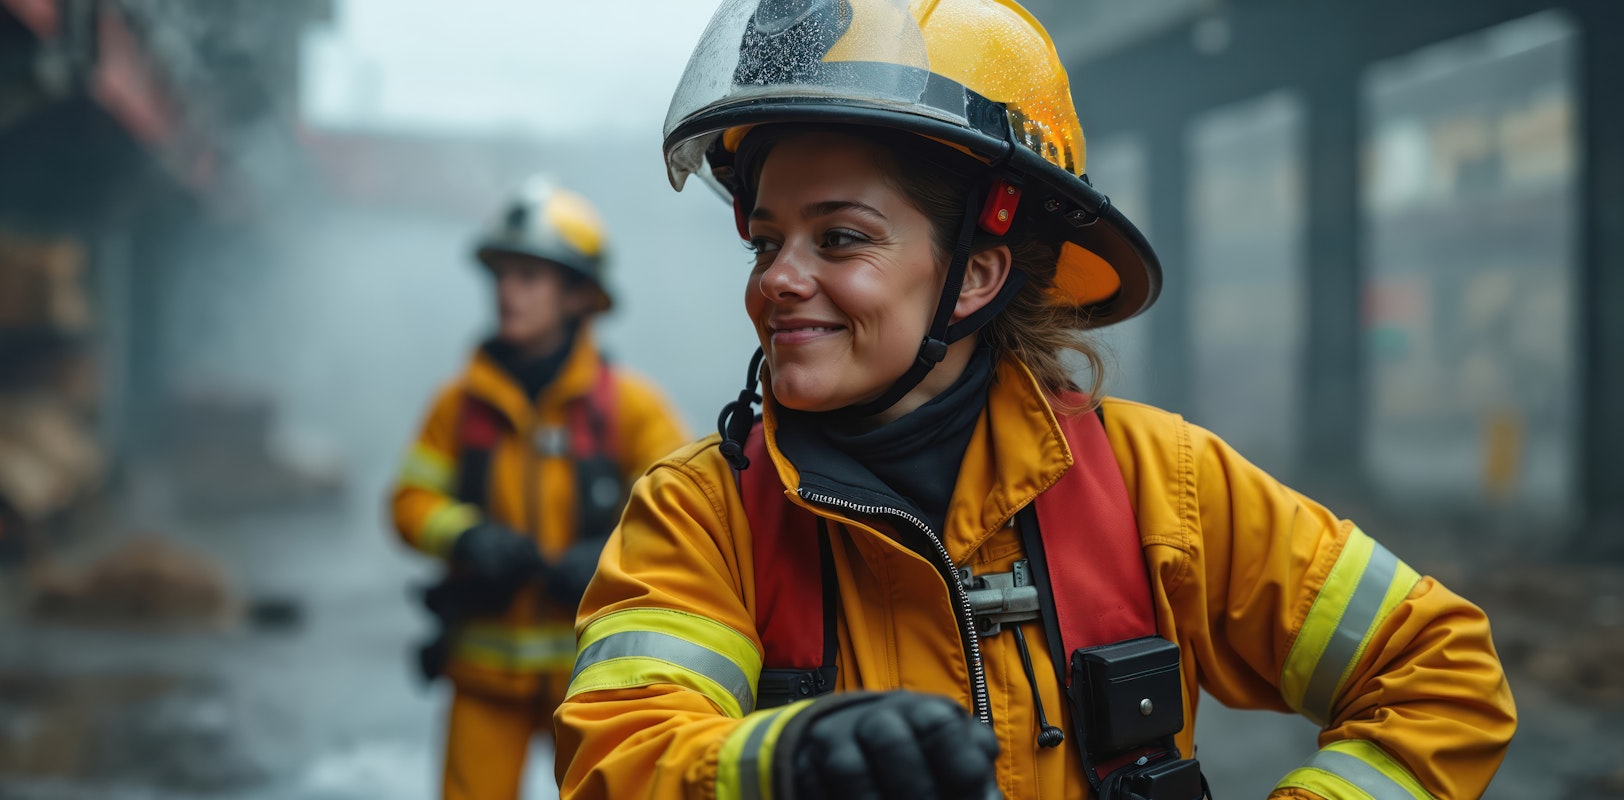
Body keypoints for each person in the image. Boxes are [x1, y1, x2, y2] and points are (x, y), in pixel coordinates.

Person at [553, 2, 1516, 799]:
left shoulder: (1162, 486)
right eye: (766, 242)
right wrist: (780, 761)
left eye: (839, 238)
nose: (777, 280)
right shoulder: (702, 515)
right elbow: (616, 759)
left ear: (976, 274)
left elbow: (1440, 671)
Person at [390, 175, 689, 800]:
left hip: (594, 682)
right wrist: (466, 537)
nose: (507, 292)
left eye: (528, 276)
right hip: (482, 676)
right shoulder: (458, 405)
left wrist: (608, 555)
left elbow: (684, 513)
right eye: (502, 275)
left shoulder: (631, 408)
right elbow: (409, 502)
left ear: (578, 294)